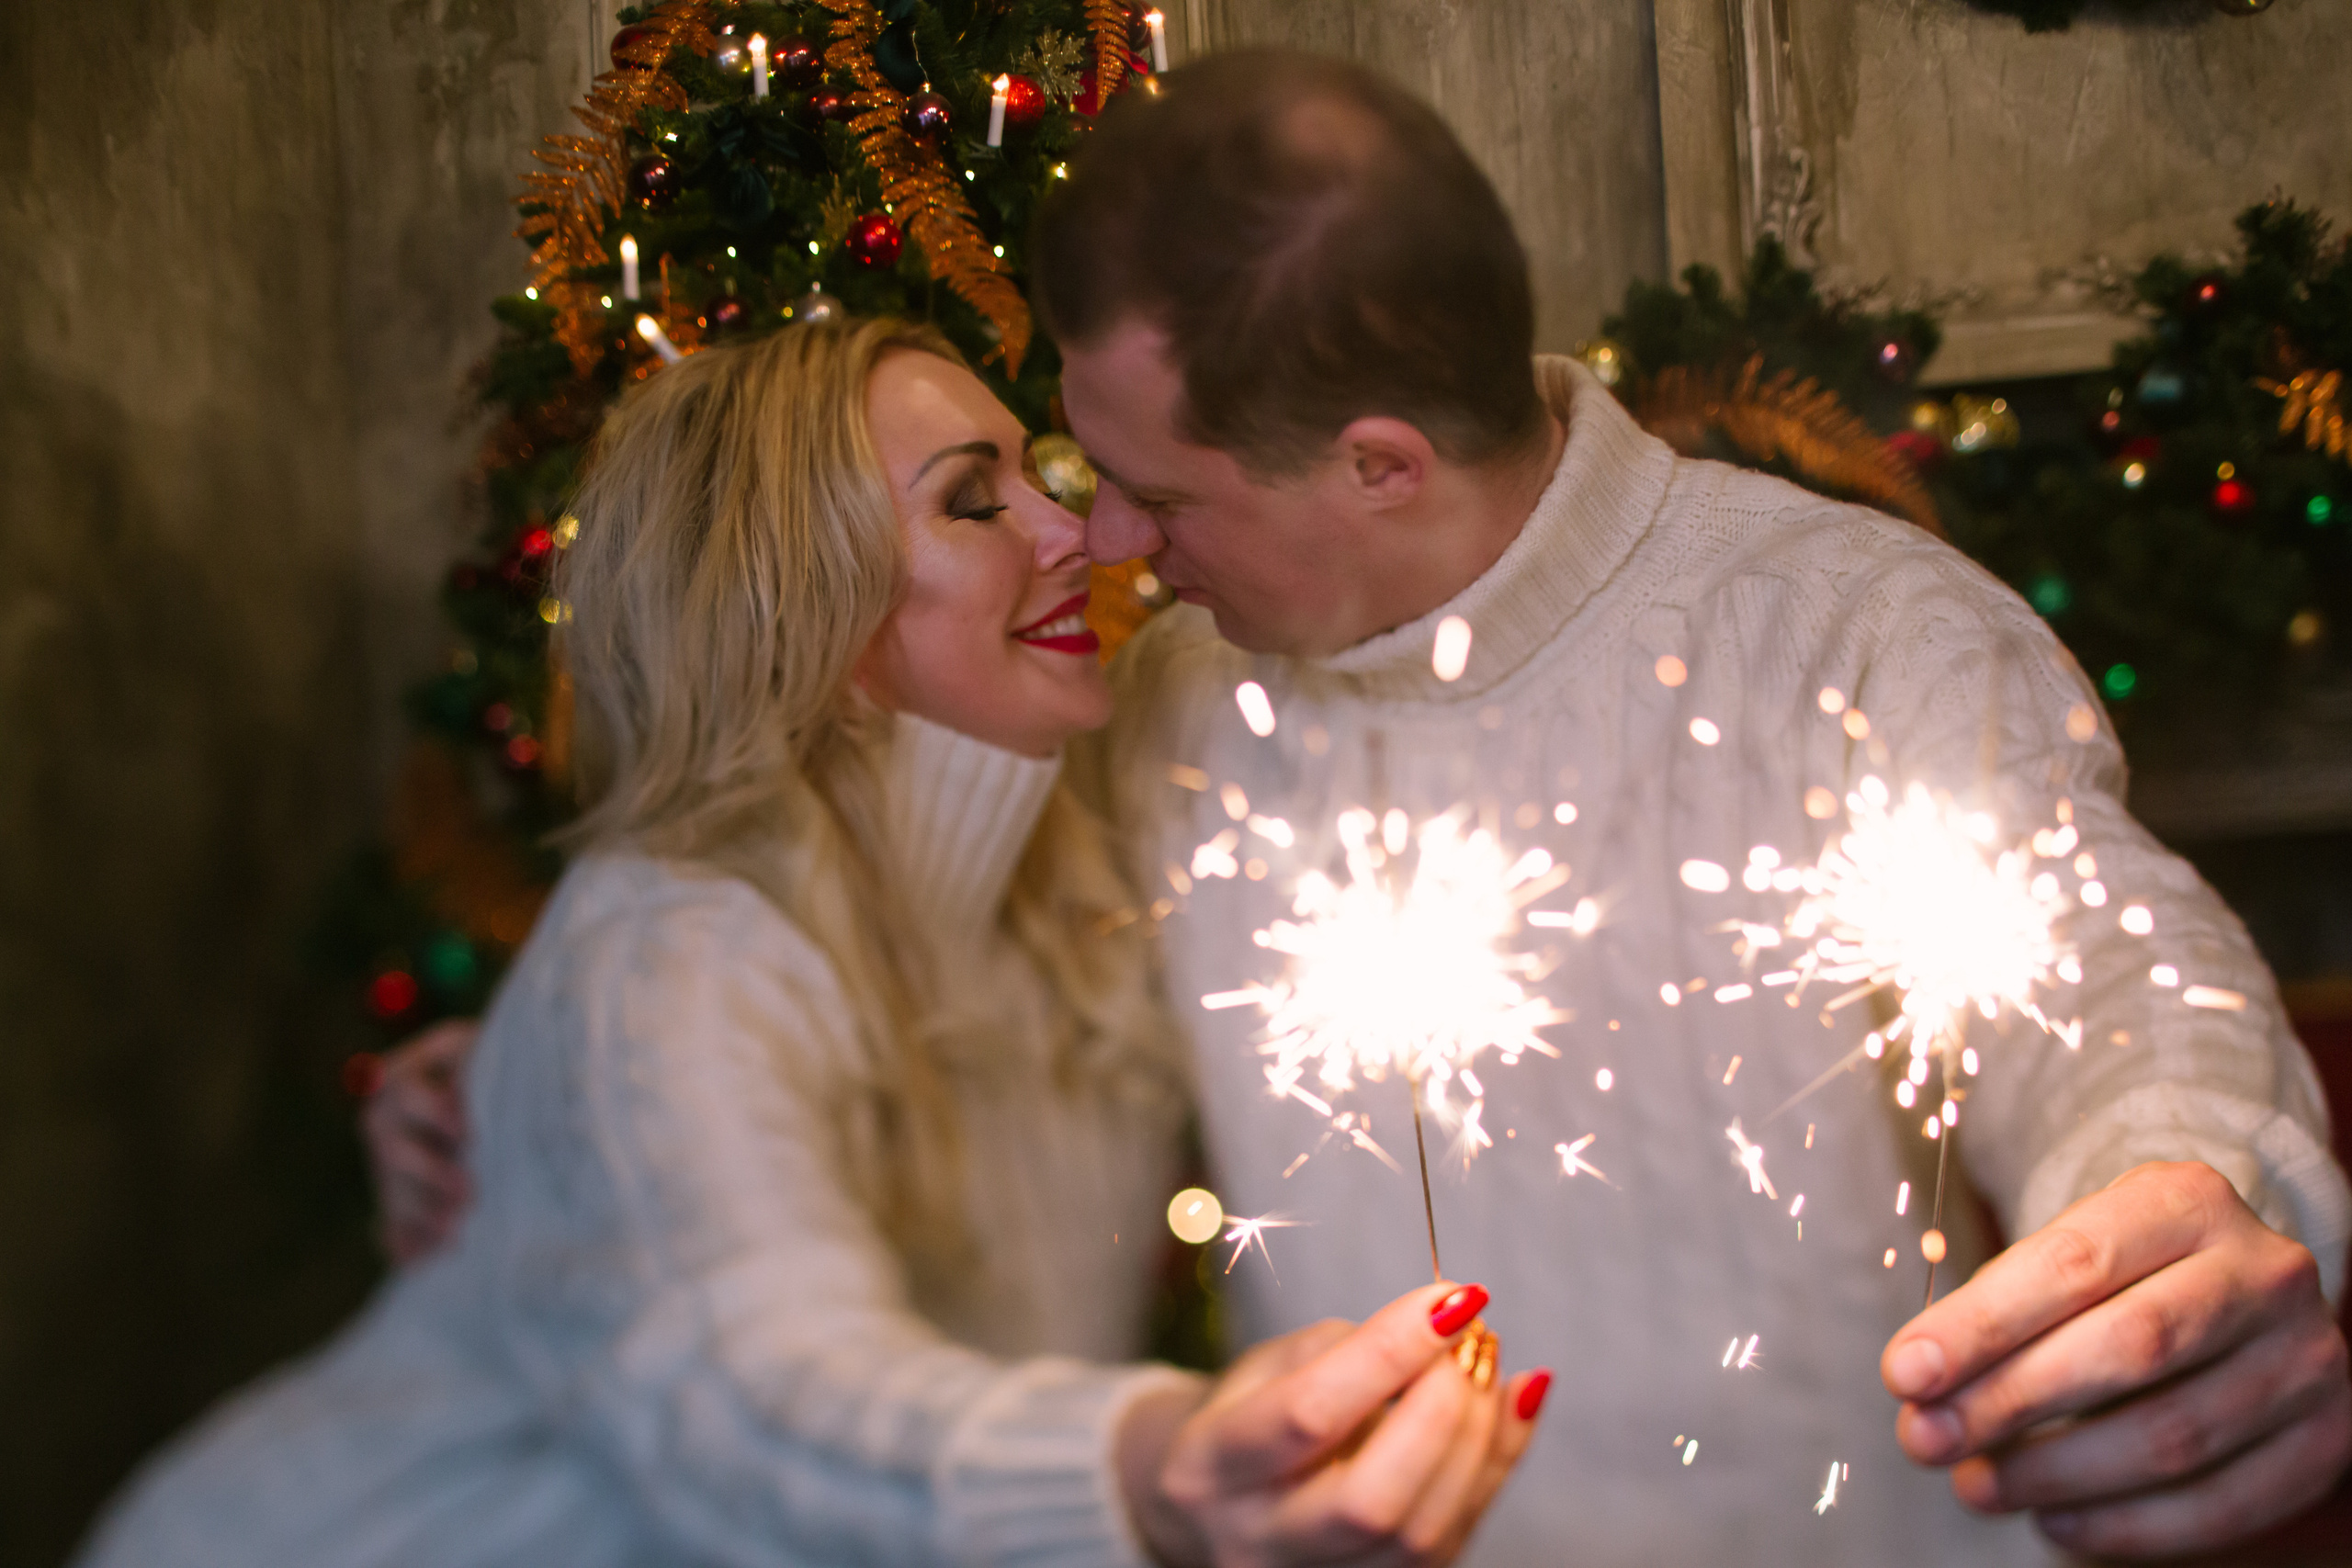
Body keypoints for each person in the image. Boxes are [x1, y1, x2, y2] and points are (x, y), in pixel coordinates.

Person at [1034, 49, 2352, 1567]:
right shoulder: (1164, 717)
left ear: (1379, 464)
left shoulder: (1854, 631)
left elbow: (2105, 985)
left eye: (1163, 497)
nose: (1110, 542)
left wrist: (2188, 1185)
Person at [74, 319, 1548, 1568]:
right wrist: (1149, 1465)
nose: (1079, 531)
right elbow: (758, 1395)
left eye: (1043, 475)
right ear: (799, 594)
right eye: (977, 504)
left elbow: (1408, 621)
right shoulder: (672, 952)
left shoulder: (1083, 864)